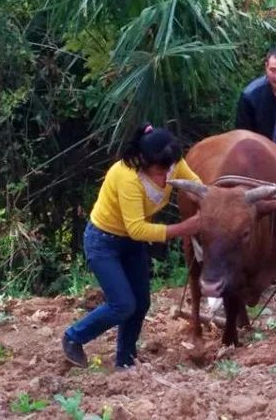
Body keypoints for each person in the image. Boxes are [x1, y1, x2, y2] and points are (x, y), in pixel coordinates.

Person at [62, 124, 203, 370]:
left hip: (130, 244)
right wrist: (185, 228)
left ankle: (125, 360)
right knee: (123, 304)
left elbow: (195, 186)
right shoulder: (127, 176)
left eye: (169, 170)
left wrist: (210, 201)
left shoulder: (172, 163)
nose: (165, 177)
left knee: (141, 302)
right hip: (103, 242)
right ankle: (73, 337)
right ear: (143, 161)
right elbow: (137, 228)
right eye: (159, 171)